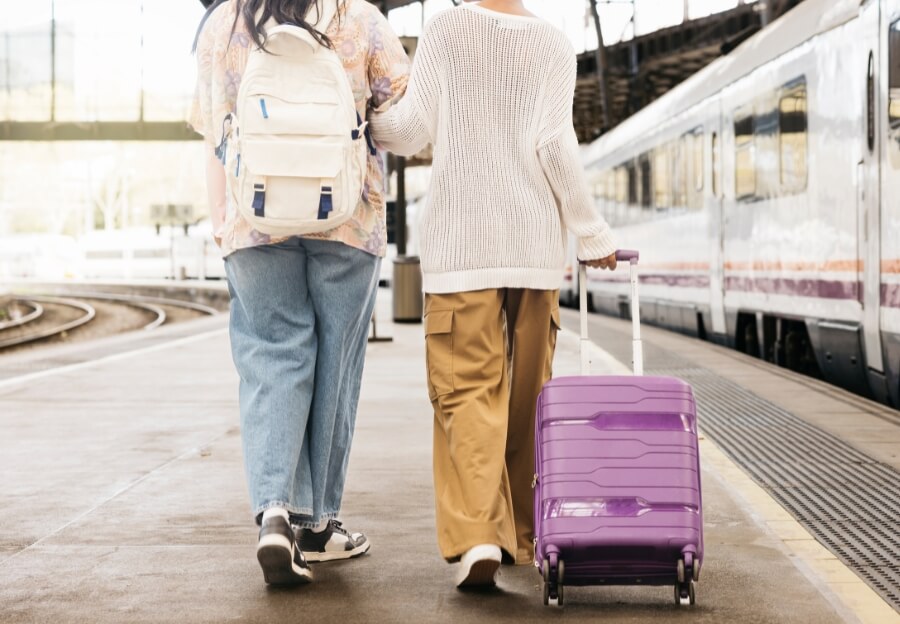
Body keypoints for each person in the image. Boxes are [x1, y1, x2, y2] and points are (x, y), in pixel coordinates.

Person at [369, 0, 617, 588]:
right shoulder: (555, 44)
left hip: (462, 249)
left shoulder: (447, 28)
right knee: (531, 397)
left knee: (467, 391)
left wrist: (368, 118)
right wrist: (590, 231)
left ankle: (481, 534)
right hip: (533, 250)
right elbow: (555, 144)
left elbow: (411, 130)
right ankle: (526, 537)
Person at [191, 0, 409, 586]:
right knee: (335, 362)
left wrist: (220, 218)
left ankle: (275, 515)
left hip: (254, 219)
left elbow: (214, 131)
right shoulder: (361, 19)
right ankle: (319, 527)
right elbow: (403, 119)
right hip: (346, 219)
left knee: (271, 357)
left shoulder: (223, 23)